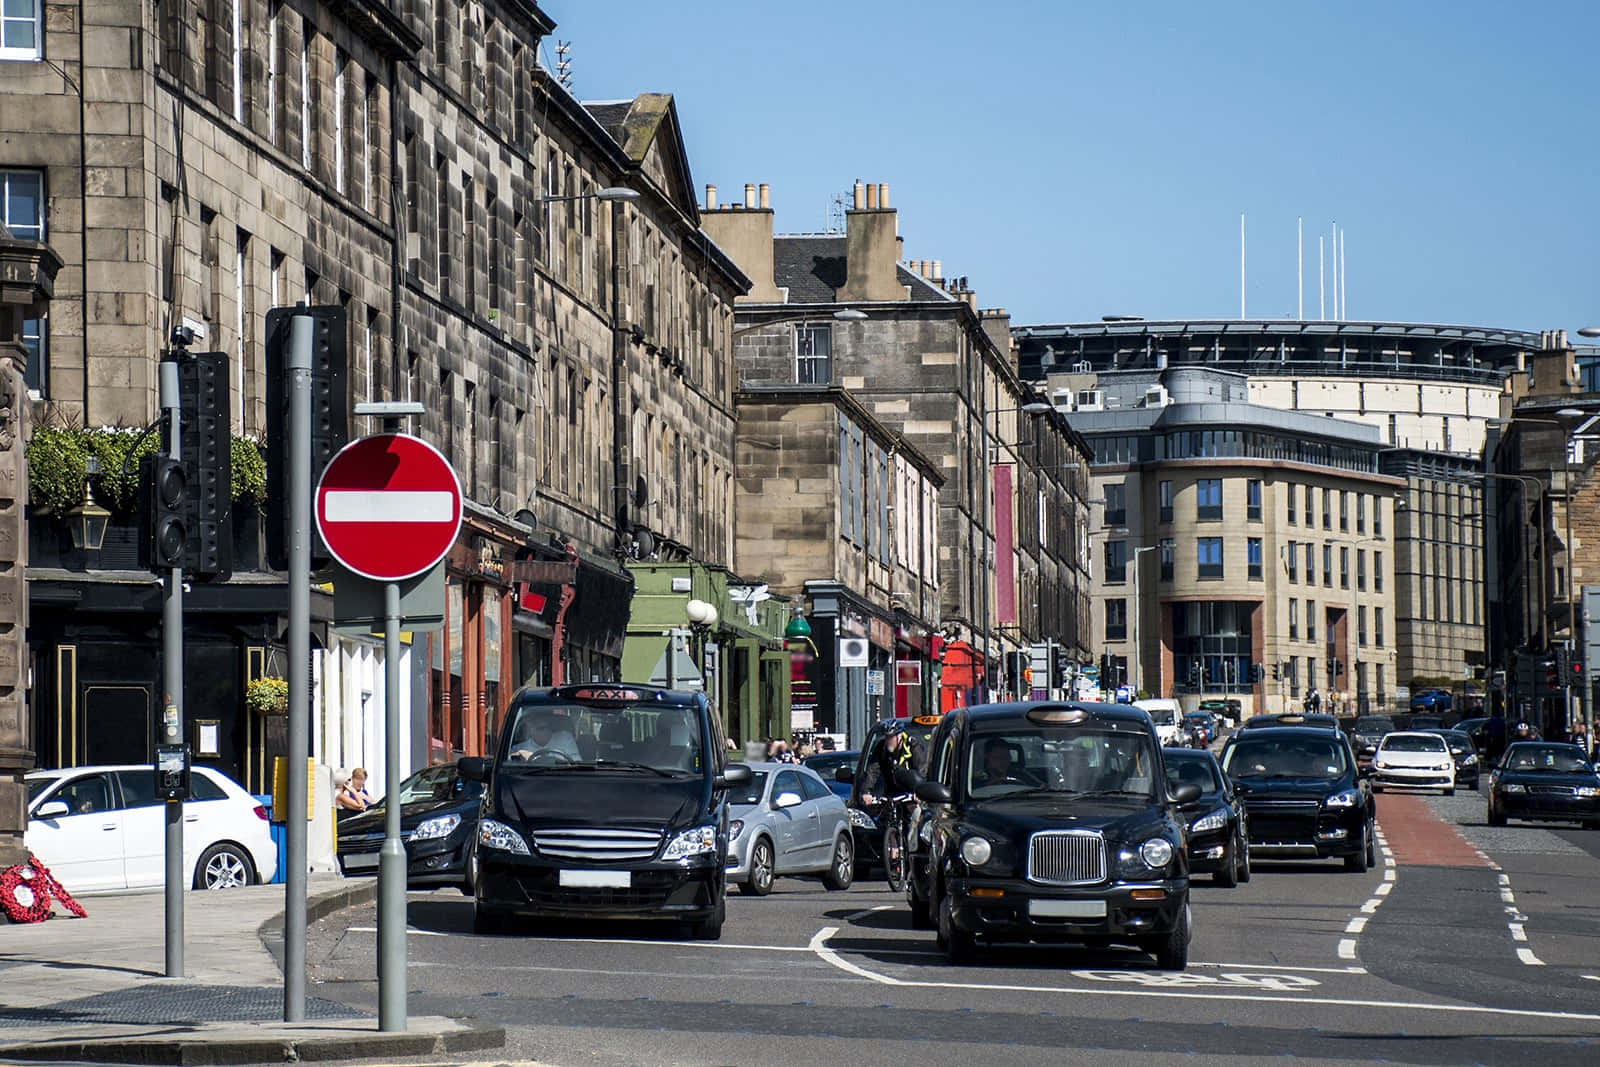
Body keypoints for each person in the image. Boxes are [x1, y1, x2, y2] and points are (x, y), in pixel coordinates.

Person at [511, 713, 582, 762]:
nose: (546, 731)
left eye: (542, 728)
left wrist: (536, 759)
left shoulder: (565, 738)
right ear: (530, 729)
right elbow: (505, 764)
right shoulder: (520, 748)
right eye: (540, 728)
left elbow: (577, 763)